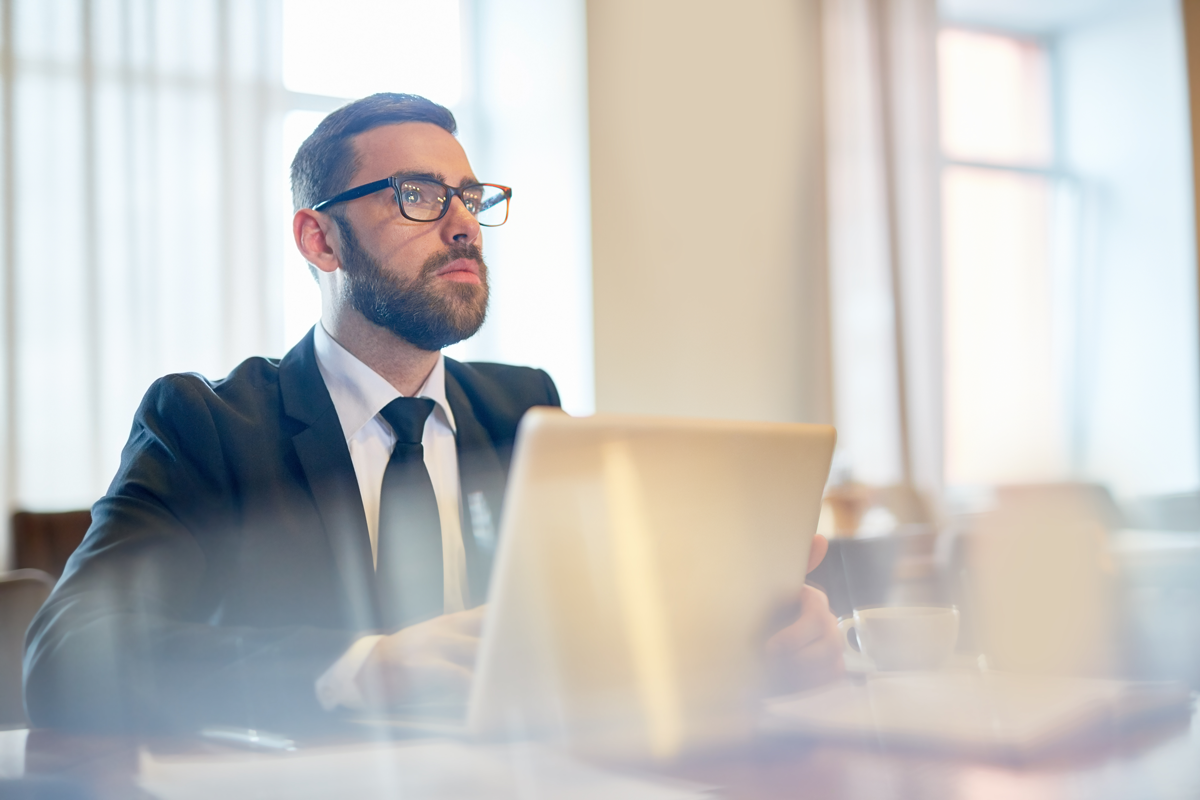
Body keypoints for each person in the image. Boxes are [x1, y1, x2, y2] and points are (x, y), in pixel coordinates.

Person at [24, 93, 842, 734]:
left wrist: (752, 640)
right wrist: (358, 672)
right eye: (417, 195)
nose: (461, 224)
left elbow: (602, 639)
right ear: (320, 241)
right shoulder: (206, 423)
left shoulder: (526, 410)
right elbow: (67, 658)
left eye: (470, 196)